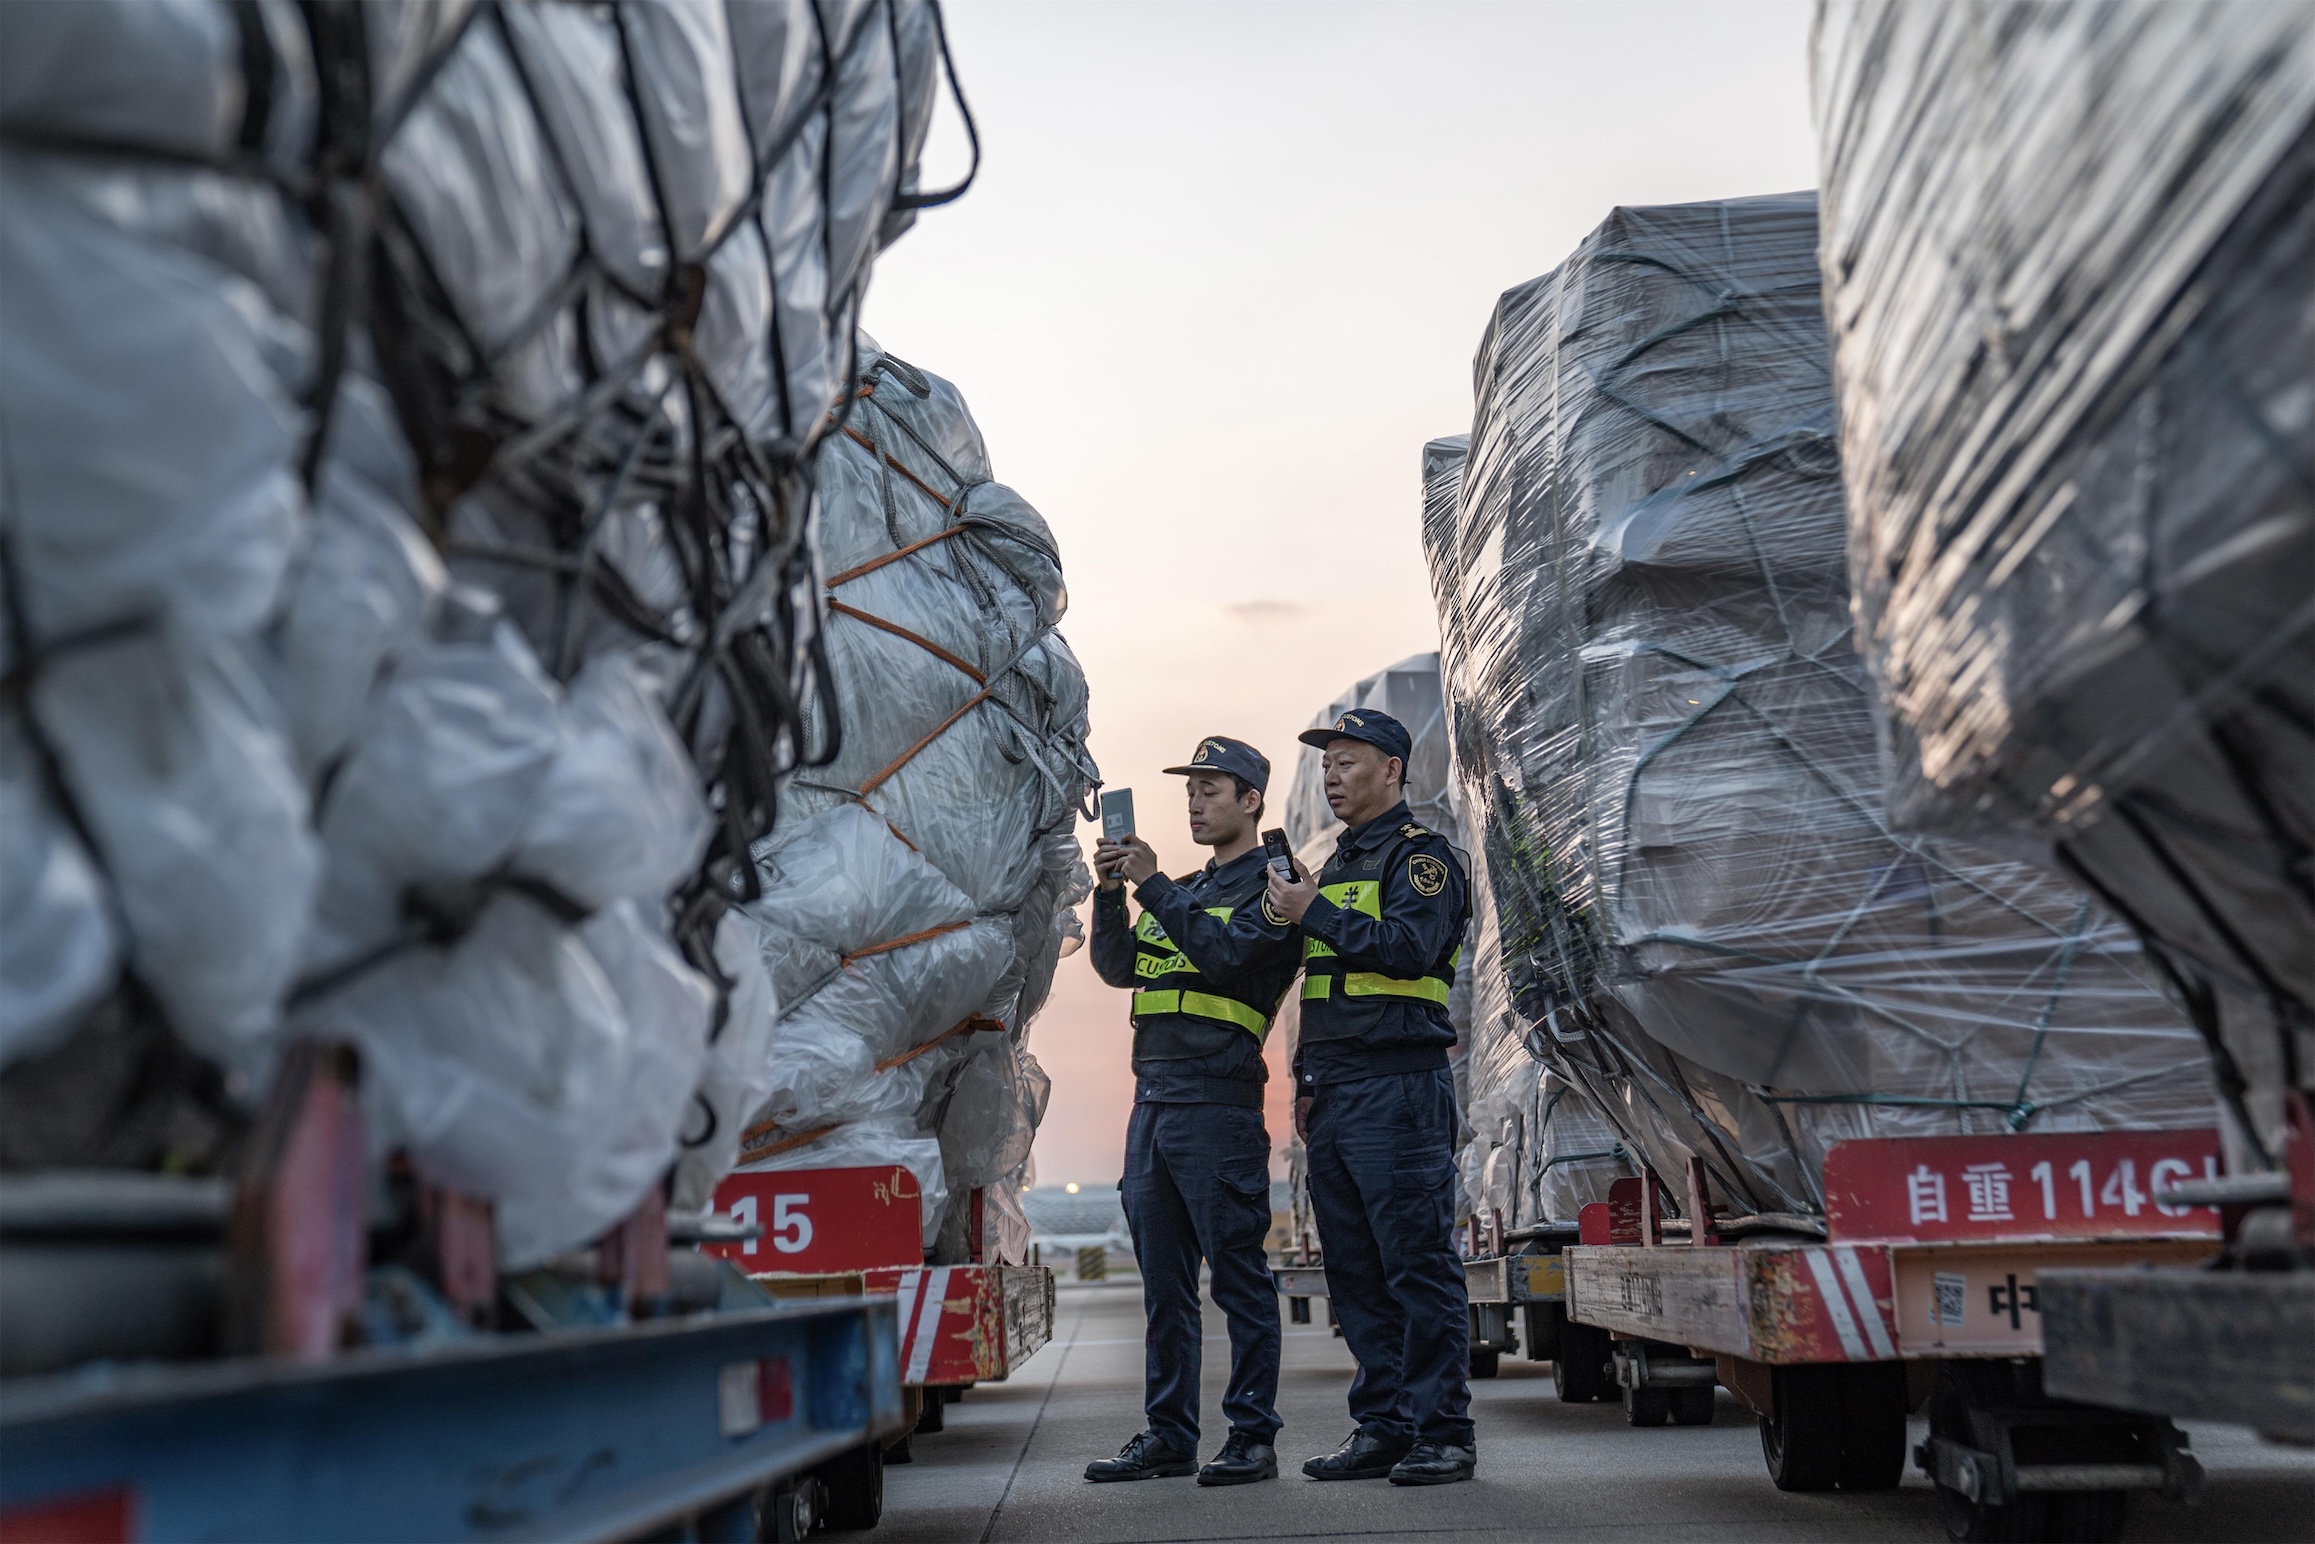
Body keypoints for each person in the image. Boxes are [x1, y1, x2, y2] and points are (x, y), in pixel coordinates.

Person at [1264, 708, 1476, 1486]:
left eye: (1347, 762)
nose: (1331, 777)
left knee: (1416, 1266)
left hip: (1396, 1086)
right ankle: (1383, 1425)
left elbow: (1413, 949)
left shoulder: (1422, 860)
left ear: (1392, 769)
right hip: (1334, 1091)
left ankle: (1443, 1432)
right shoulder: (1336, 864)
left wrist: (1311, 911)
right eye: (1325, 766)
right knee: (1354, 1272)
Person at [1082, 736, 1300, 1488]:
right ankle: (1168, 1434)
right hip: (1154, 1105)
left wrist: (1151, 889)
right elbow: (1118, 969)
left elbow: (1232, 957)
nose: (1196, 803)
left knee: (1237, 1278)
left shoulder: (1275, 886)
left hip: (1218, 1104)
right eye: (1189, 792)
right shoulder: (1177, 887)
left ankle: (1251, 1438)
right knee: (1163, 1287)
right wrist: (1110, 893)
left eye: (1212, 790)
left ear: (1250, 801)